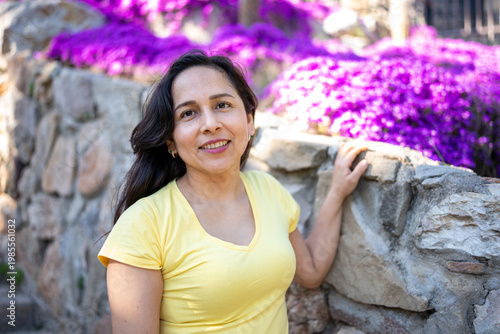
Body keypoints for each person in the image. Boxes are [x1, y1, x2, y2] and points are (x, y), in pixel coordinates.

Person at [98, 50, 368, 333]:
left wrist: (337, 192)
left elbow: (310, 272)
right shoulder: (143, 225)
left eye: (222, 105)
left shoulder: (269, 191)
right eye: (188, 113)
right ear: (171, 142)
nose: (210, 124)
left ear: (250, 121)